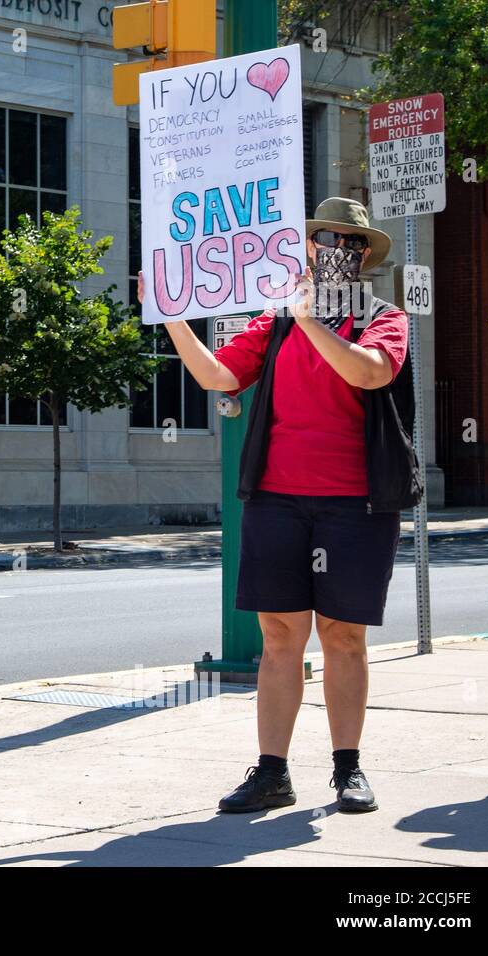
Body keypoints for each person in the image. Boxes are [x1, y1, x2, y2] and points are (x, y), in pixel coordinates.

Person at [139, 197, 411, 814]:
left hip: (356, 504)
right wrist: (171, 314)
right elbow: (218, 377)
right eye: (326, 239)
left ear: (364, 255)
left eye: (351, 242)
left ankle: (348, 770)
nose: (338, 250)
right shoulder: (275, 322)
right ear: (310, 247)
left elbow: (368, 374)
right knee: (280, 635)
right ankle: (272, 772)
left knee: (343, 637)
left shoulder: (383, 318)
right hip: (277, 500)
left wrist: (311, 319)